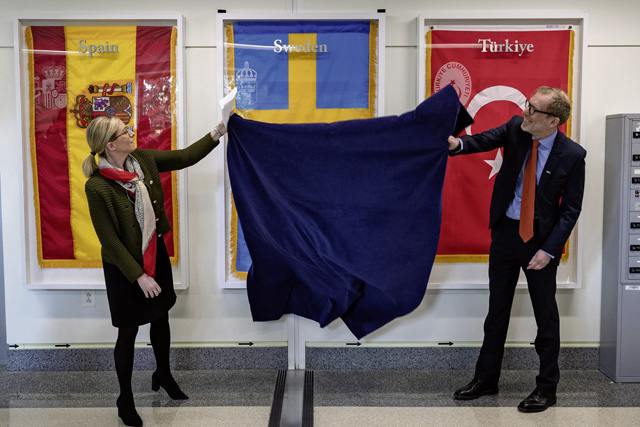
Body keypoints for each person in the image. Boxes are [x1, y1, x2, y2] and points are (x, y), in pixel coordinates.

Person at [82, 115, 228, 427]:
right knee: (128, 330)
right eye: (124, 132)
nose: (131, 133)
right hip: (124, 267)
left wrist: (218, 131)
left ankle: (162, 374)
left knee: (160, 315)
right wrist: (139, 276)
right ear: (110, 145)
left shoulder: (143, 160)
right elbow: (109, 240)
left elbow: (185, 157)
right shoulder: (96, 186)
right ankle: (125, 399)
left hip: (153, 252)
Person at [448, 86, 586, 413]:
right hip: (506, 234)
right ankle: (486, 379)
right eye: (527, 104)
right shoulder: (515, 128)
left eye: (534, 109)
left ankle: (547, 388)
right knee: (497, 311)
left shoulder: (572, 155)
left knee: (545, 317)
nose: (525, 111)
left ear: (553, 121)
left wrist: (549, 251)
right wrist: (457, 144)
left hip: (540, 243)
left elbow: (570, 210)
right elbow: (481, 140)